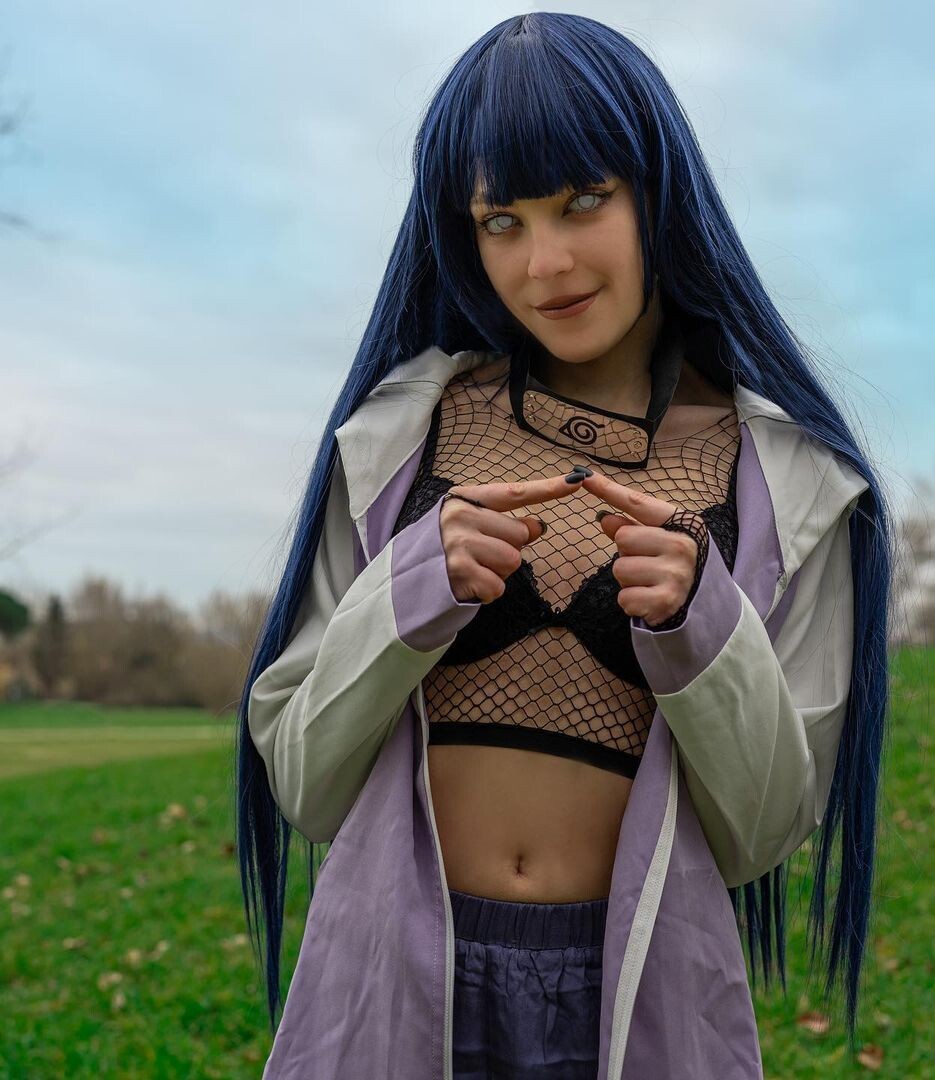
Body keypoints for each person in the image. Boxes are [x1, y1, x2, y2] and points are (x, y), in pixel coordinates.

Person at [236, 12, 895, 1080]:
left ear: (659, 193)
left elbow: (767, 828)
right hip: (392, 990)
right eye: (502, 221)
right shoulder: (397, 439)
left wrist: (704, 623)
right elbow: (305, 784)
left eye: (584, 200)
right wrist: (411, 589)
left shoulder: (789, 481)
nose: (545, 263)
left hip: (639, 1005)